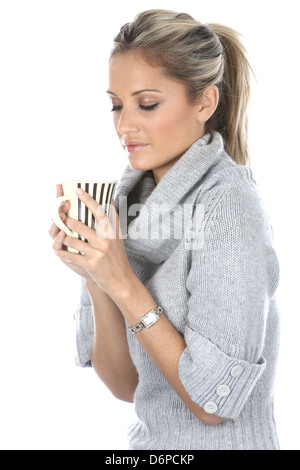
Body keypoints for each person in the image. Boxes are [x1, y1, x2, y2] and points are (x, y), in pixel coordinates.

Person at [49, 9, 280, 450]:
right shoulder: (125, 204)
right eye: (116, 105)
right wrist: (97, 277)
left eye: (147, 104)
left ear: (205, 103)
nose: (124, 125)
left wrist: (122, 279)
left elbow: (214, 404)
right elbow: (127, 387)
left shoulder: (228, 205)